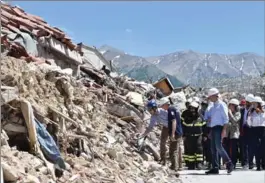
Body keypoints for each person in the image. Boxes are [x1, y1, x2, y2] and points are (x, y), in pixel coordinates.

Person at [205, 88, 233, 175]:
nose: (209, 98)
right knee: (213, 149)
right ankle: (215, 167)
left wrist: (224, 130)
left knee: (218, 147)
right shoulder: (212, 106)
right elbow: (210, 118)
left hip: (219, 128)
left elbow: (226, 118)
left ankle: (229, 164)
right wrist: (210, 129)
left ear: (215, 96)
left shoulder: (222, 105)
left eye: (210, 97)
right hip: (213, 128)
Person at [140, 99, 169, 165]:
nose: (149, 111)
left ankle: (176, 165)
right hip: (166, 127)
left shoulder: (163, 111)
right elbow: (150, 127)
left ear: (154, 108)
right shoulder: (153, 117)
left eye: (150, 109)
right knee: (162, 143)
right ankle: (163, 160)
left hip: (174, 126)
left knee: (174, 145)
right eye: (148, 110)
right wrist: (143, 135)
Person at [160, 97, 183, 173]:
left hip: (176, 133)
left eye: (162, 106)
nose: (162, 108)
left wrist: (172, 133)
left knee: (173, 150)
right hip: (178, 132)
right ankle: (175, 166)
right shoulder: (174, 108)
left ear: (165, 104)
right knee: (174, 149)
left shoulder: (170, 110)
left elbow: (174, 121)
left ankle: (174, 167)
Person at [182, 101, 206, 170]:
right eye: (191, 108)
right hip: (189, 136)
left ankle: (199, 163)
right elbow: (183, 126)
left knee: (199, 149)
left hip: (198, 135)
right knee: (190, 150)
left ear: (197, 109)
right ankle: (191, 165)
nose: (192, 110)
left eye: (194, 108)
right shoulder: (187, 117)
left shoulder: (200, 117)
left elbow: (204, 127)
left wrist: (205, 135)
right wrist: (183, 135)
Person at [247, 96, 265, 171]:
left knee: (263, 148)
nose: (253, 105)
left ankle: (263, 164)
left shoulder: (263, 111)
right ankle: (258, 165)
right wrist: (249, 116)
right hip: (254, 130)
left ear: (259, 104)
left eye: (255, 103)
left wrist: (261, 112)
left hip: (263, 129)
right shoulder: (251, 112)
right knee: (256, 148)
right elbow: (249, 124)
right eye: (253, 103)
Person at [239, 94, 255, 169]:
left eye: (249, 102)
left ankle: (250, 162)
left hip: (251, 130)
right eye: (247, 102)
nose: (248, 103)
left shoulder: (254, 110)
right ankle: (245, 162)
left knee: (250, 147)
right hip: (243, 130)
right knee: (244, 147)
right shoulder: (242, 110)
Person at [226, 99, 241, 169]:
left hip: (234, 134)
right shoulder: (227, 113)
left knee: (234, 150)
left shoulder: (238, 113)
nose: (230, 107)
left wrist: (230, 114)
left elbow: (235, 121)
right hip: (227, 133)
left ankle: (234, 163)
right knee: (227, 149)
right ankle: (228, 164)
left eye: (231, 106)